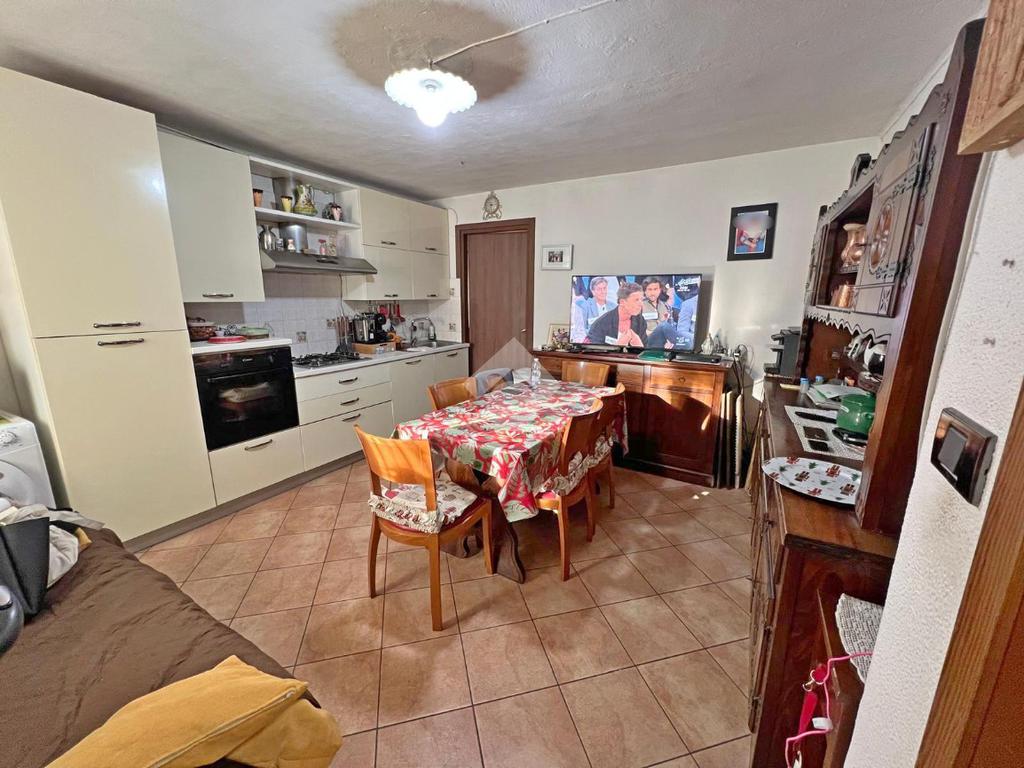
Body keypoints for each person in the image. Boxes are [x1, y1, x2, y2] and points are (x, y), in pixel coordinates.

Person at [585, 281, 647, 347]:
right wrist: (618, 347)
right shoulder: (600, 324)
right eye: (636, 300)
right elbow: (593, 352)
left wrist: (639, 346)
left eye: (642, 300)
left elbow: (646, 347)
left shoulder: (640, 321)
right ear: (622, 302)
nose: (641, 304)